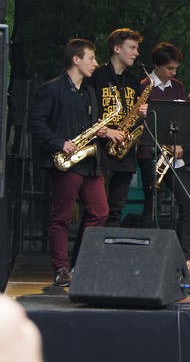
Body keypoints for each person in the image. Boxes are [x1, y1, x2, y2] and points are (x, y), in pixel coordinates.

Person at [28, 39, 112, 287]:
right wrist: (59, 143)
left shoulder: (89, 92)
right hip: (66, 161)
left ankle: (83, 263)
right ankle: (61, 268)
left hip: (89, 162)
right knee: (62, 217)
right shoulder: (52, 89)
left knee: (100, 212)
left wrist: (99, 130)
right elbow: (36, 123)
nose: (96, 63)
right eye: (91, 58)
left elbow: (90, 124)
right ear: (76, 59)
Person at [137, 42, 190, 280]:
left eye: (176, 68)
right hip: (151, 155)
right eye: (169, 68)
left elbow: (185, 119)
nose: (174, 73)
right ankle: (146, 259)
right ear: (157, 65)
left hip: (174, 158)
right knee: (152, 205)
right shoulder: (143, 87)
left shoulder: (177, 87)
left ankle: (185, 259)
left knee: (189, 203)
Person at [90, 27, 146, 228]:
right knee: (97, 210)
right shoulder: (96, 75)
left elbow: (134, 116)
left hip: (125, 151)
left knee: (116, 209)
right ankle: (89, 248)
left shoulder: (133, 80)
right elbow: (87, 111)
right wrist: (106, 131)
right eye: (132, 47)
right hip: (101, 149)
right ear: (117, 48)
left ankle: (110, 246)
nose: (136, 53)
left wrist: (141, 114)